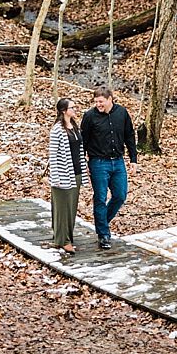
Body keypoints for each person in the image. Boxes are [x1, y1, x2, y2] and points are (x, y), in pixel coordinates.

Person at [80, 87, 139, 250]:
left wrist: (133, 159)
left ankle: (102, 222)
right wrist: (82, 161)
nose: (98, 104)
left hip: (118, 161)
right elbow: (83, 141)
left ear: (110, 99)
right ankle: (104, 235)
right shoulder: (90, 116)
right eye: (96, 102)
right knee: (100, 197)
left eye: (101, 101)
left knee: (120, 195)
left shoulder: (122, 113)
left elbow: (129, 136)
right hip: (98, 162)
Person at [47, 98, 87, 254]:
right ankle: (63, 240)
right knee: (62, 208)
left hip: (75, 173)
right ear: (64, 110)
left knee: (71, 208)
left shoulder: (74, 127)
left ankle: (67, 237)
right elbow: (53, 155)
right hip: (63, 175)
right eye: (72, 107)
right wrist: (55, 177)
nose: (75, 110)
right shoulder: (57, 129)